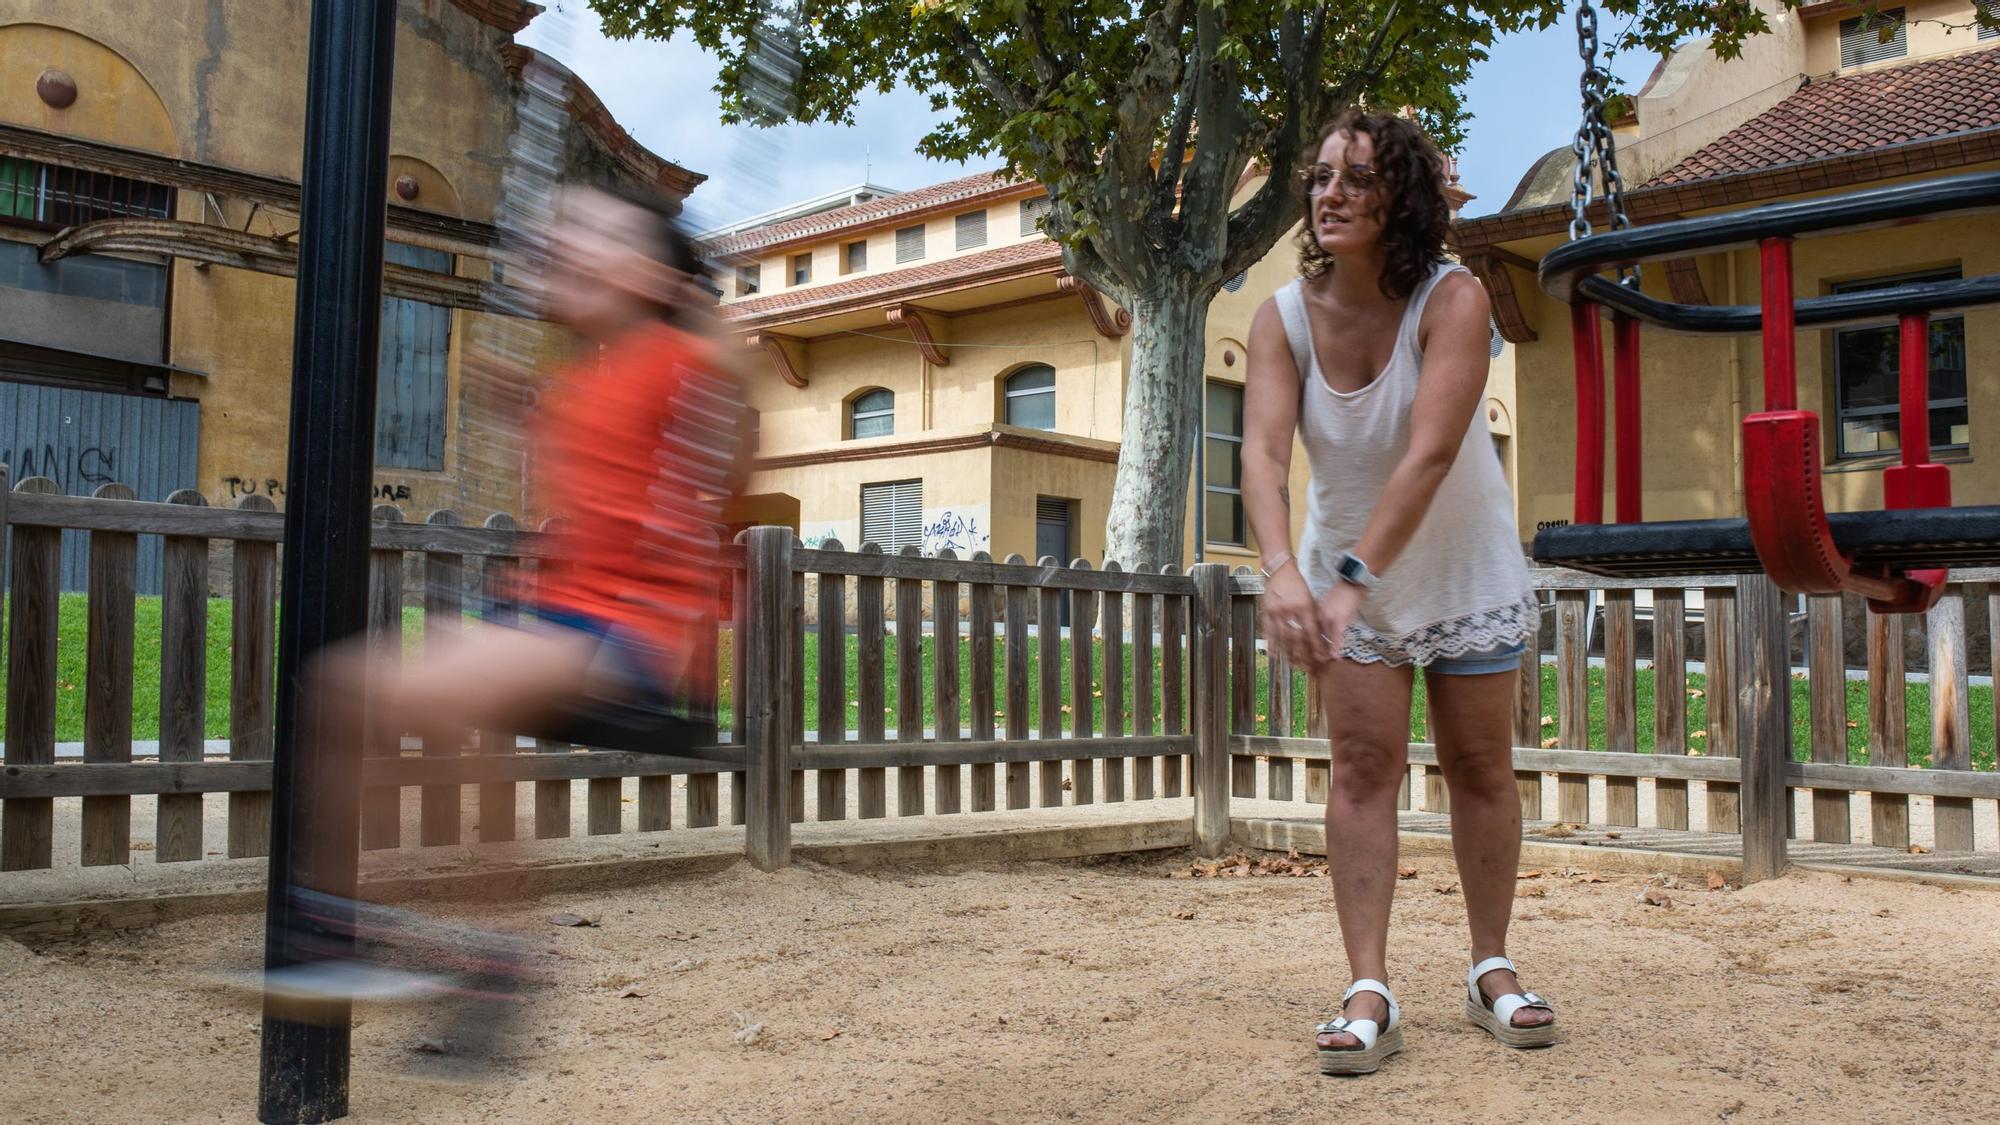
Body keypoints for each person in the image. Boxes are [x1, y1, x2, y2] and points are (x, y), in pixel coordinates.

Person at [255, 179, 747, 1071]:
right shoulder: (589, 374)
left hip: (632, 639)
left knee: (423, 686)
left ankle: (470, 952)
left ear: (652, 278)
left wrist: (701, 310)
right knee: (346, 686)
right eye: (566, 231)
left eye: (596, 234)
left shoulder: (682, 359)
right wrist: (521, 402)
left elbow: (722, 411)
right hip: (556, 615)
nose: (565, 243)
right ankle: (364, 936)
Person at [1240, 109, 1551, 1076]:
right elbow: (1259, 451)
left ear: (1400, 198)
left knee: (1480, 769)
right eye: (1323, 176)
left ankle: (1489, 964)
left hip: (1457, 570)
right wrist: (1284, 570)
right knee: (1364, 768)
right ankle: (1369, 988)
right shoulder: (1283, 315)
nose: (1331, 193)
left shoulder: (1454, 300)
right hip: (1346, 577)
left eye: (1358, 179)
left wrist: (1345, 583)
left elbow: (1428, 454)